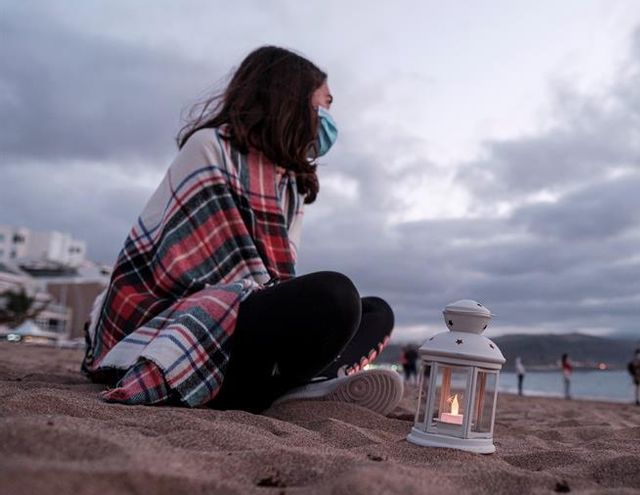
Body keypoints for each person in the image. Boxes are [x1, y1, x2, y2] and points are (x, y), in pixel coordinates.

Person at [81, 46, 402, 415]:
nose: (328, 117)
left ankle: (294, 387)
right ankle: (298, 385)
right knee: (335, 295)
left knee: (376, 312)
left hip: (248, 317)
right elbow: (171, 267)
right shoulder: (211, 147)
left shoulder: (291, 184)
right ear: (291, 98)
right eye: (324, 103)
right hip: (191, 316)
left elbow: (276, 277)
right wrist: (253, 297)